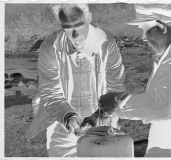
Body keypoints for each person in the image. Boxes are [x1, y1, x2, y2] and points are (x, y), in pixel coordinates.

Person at [81, 4, 171, 158]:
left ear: (161, 26)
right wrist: (106, 112)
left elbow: (164, 106)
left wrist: (117, 103)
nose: (142, 37)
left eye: (144, 29)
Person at [26, 3, 125, 157]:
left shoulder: (107, 44)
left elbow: (116, 88)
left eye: (79, 26)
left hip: (104, 124)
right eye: (67, 27)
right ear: (60, 24)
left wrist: (99, 117)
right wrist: (69, 117)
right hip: (62, 129)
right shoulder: (49, 47)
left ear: (89, 17)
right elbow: (50, 92)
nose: (75, 36)